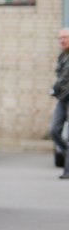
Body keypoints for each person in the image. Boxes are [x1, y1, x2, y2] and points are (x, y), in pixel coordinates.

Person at [51, 28, 69, 179]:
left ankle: (68, 170)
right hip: (62, 100)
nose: (62, 41)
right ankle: (66, 152)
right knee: (54, 130)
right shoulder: (62, 56)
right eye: (60, 38)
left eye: (65, 38)